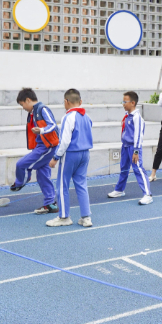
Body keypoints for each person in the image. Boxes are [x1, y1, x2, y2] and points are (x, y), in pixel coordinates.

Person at [47, 88, 94, 227]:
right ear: (80, 101)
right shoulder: (87, 117)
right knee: (81, 184)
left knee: (62, 185)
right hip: (85, 153)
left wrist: (56, 157)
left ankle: (64, 217)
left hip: (71, 154)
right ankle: (86, 217)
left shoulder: (68, 117)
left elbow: (65, 141)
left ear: (66, 102)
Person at [11, 88, 60, 215]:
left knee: (21, 164)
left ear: (28, 100)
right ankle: (50, 204)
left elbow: (53, 125)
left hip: (46, 147)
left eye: (22, 105)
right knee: (43, 175)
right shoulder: (33, 112)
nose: (23, 108)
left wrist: (42, 131)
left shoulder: (42, 109)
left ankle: (21, 181)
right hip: (41, 146)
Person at [108, 91, 153, 205]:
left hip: (133, 147)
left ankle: (147, 194)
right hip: (125, 146)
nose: (123, 104)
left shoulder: (137, 118)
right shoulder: (127, 116)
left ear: (133, 103)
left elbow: (138, 135)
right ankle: (119, 190)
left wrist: (136, 151)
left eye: (125, 102)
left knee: (138, 169)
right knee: (123, 169)